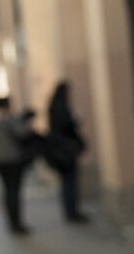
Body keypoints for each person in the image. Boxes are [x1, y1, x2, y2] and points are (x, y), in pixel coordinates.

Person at [0, 97, 32, 235]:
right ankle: (16, 223)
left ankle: (12, 223)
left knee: (7, 191)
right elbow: (22, 133)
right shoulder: (10, 119)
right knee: (14, 191)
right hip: (12, 159)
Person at [48, 81, 89, 223]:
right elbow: (65, 126)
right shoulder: (60, 108)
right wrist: (74, 120)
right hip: (65, 150)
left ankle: (70, 211)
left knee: (67, 182)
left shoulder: (54, 106)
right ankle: (72, 212)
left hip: (60, 150)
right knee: (70, 182)